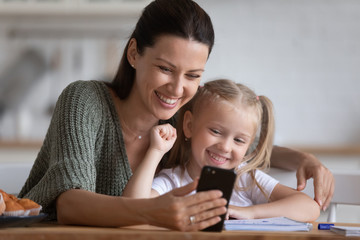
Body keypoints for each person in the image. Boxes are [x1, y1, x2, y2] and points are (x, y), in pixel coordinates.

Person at [18, 0, 331, 231]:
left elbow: (228, 146)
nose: (178, 89)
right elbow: (70, 204)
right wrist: (153, 212)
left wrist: (303, 160)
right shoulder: (85, 100)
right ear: (133, 54)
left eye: (193, 75)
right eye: (165, 68)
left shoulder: (181, 119)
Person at [123, 79, 320, 222]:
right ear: (189, 125)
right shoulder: (174, 180)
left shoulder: (245, 179)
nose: (225, 147)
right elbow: (132, 207)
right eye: (216, 131)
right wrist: (156, 151)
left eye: (239, 140)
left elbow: (310, 208)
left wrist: (248, 213)